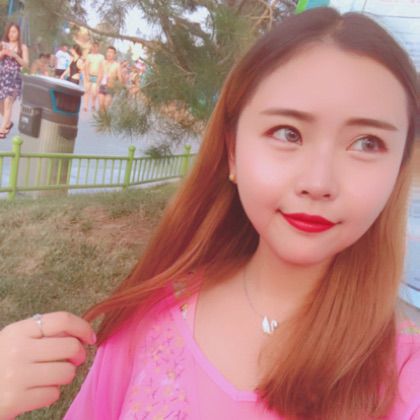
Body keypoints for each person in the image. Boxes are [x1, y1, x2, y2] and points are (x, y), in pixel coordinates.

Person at [0, 8, 419, 420]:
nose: (318, 181)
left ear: (400, 168)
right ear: (233, 151)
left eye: (367, 143)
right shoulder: (149, 319)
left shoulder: (407, 378)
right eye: (287, 133)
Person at [0, 22, 29, 140]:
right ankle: (8, 122)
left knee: (8, 102)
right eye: (10, 31)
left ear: (18, 33)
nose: (11, 34)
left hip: (14, 77)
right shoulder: (2, 44)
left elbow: (26, 64)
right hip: (2, 76)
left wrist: (15, 55)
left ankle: (2, 130)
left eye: (14, 31)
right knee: (1, 103)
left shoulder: (23, 47)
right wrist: (3, 53)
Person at [97, 46, 122, 112]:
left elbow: (120, 78)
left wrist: (118, 89)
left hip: (111, 88)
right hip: (102, 86)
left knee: (105, 106)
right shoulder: (102, 63)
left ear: (114, 54)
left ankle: (104, 117)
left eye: (111, 52)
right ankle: (101, 117)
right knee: (101, 105)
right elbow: (99, 75)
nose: (109, 53)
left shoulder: (117, 65)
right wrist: (97, 85)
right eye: (108, 52)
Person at [83, 41, 104, 111]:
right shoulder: (89, 56)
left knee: (94, 92)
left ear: (98, 48)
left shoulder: (101, 57)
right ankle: (85, 106)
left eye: (96, 47)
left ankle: (93, 104)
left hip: (97, 77)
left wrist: (100, 78)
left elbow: (102, 68)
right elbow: (86, 67)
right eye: (93, 47)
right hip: (89, 76)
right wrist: (86, 76)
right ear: (92, 47)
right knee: (87, 91)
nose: (95, 48)